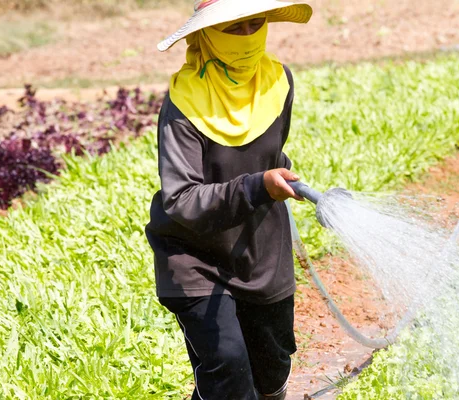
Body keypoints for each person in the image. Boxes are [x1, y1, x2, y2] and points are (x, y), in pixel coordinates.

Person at [145, 1, 313, 399]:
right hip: (195, 258)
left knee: (271, 372)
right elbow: (182, 199)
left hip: (260, 252)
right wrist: (258, 186)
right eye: (232, 28)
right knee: (229, 367)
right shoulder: (184, 103)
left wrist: (280, 176)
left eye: (255, 24)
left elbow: (270, 155)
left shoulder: (278, 82)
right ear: (206, 35)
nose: (247, 36)